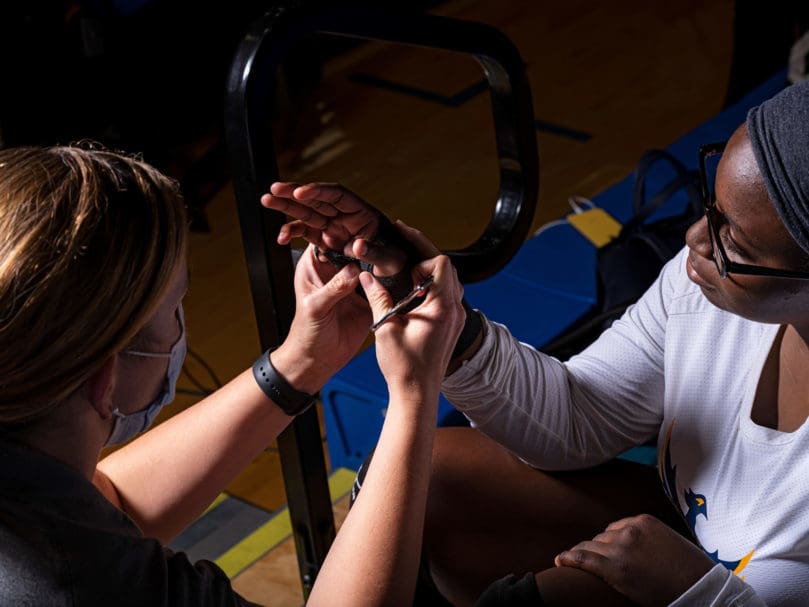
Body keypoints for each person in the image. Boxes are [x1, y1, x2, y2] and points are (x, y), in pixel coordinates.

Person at [262, 79, 809, 605]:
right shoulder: (699, 292)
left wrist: (695, 591)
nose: (694, 238)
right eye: (711, 209)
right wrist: (440, 315)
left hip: (713, 586)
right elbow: (579, 414)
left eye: (734, 239)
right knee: (425, 480)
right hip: (687, 536)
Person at [0, 143, 463, 606]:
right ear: (106, 379)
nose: (181, 325)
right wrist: (413, 392)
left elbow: (112, 505)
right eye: (176, 306)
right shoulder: (80, 585)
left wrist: (302, 361)